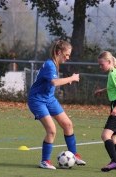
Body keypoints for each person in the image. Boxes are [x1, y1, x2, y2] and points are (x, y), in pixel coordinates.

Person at [28, 40, 86, 169]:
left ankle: (74, 156)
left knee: (68, 124)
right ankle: (45, 161)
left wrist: (66, 80)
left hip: (49, 99)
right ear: (58, 52)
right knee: (52, 130)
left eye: (69, 55)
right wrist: (71, 78)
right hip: (37, 100)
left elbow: (54, 81)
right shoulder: (50, 64)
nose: (67, 58)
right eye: (66, 55)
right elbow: (54, 82)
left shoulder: (54, 63)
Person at [94, 51, 116, 172]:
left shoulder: (113, 73)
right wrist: (102, 90)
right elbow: (113, 88)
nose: (100, 67)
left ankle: (115, 161)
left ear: (109, 62)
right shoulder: (112, 73)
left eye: (101, 64)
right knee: (113, 138)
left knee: (105, 135)